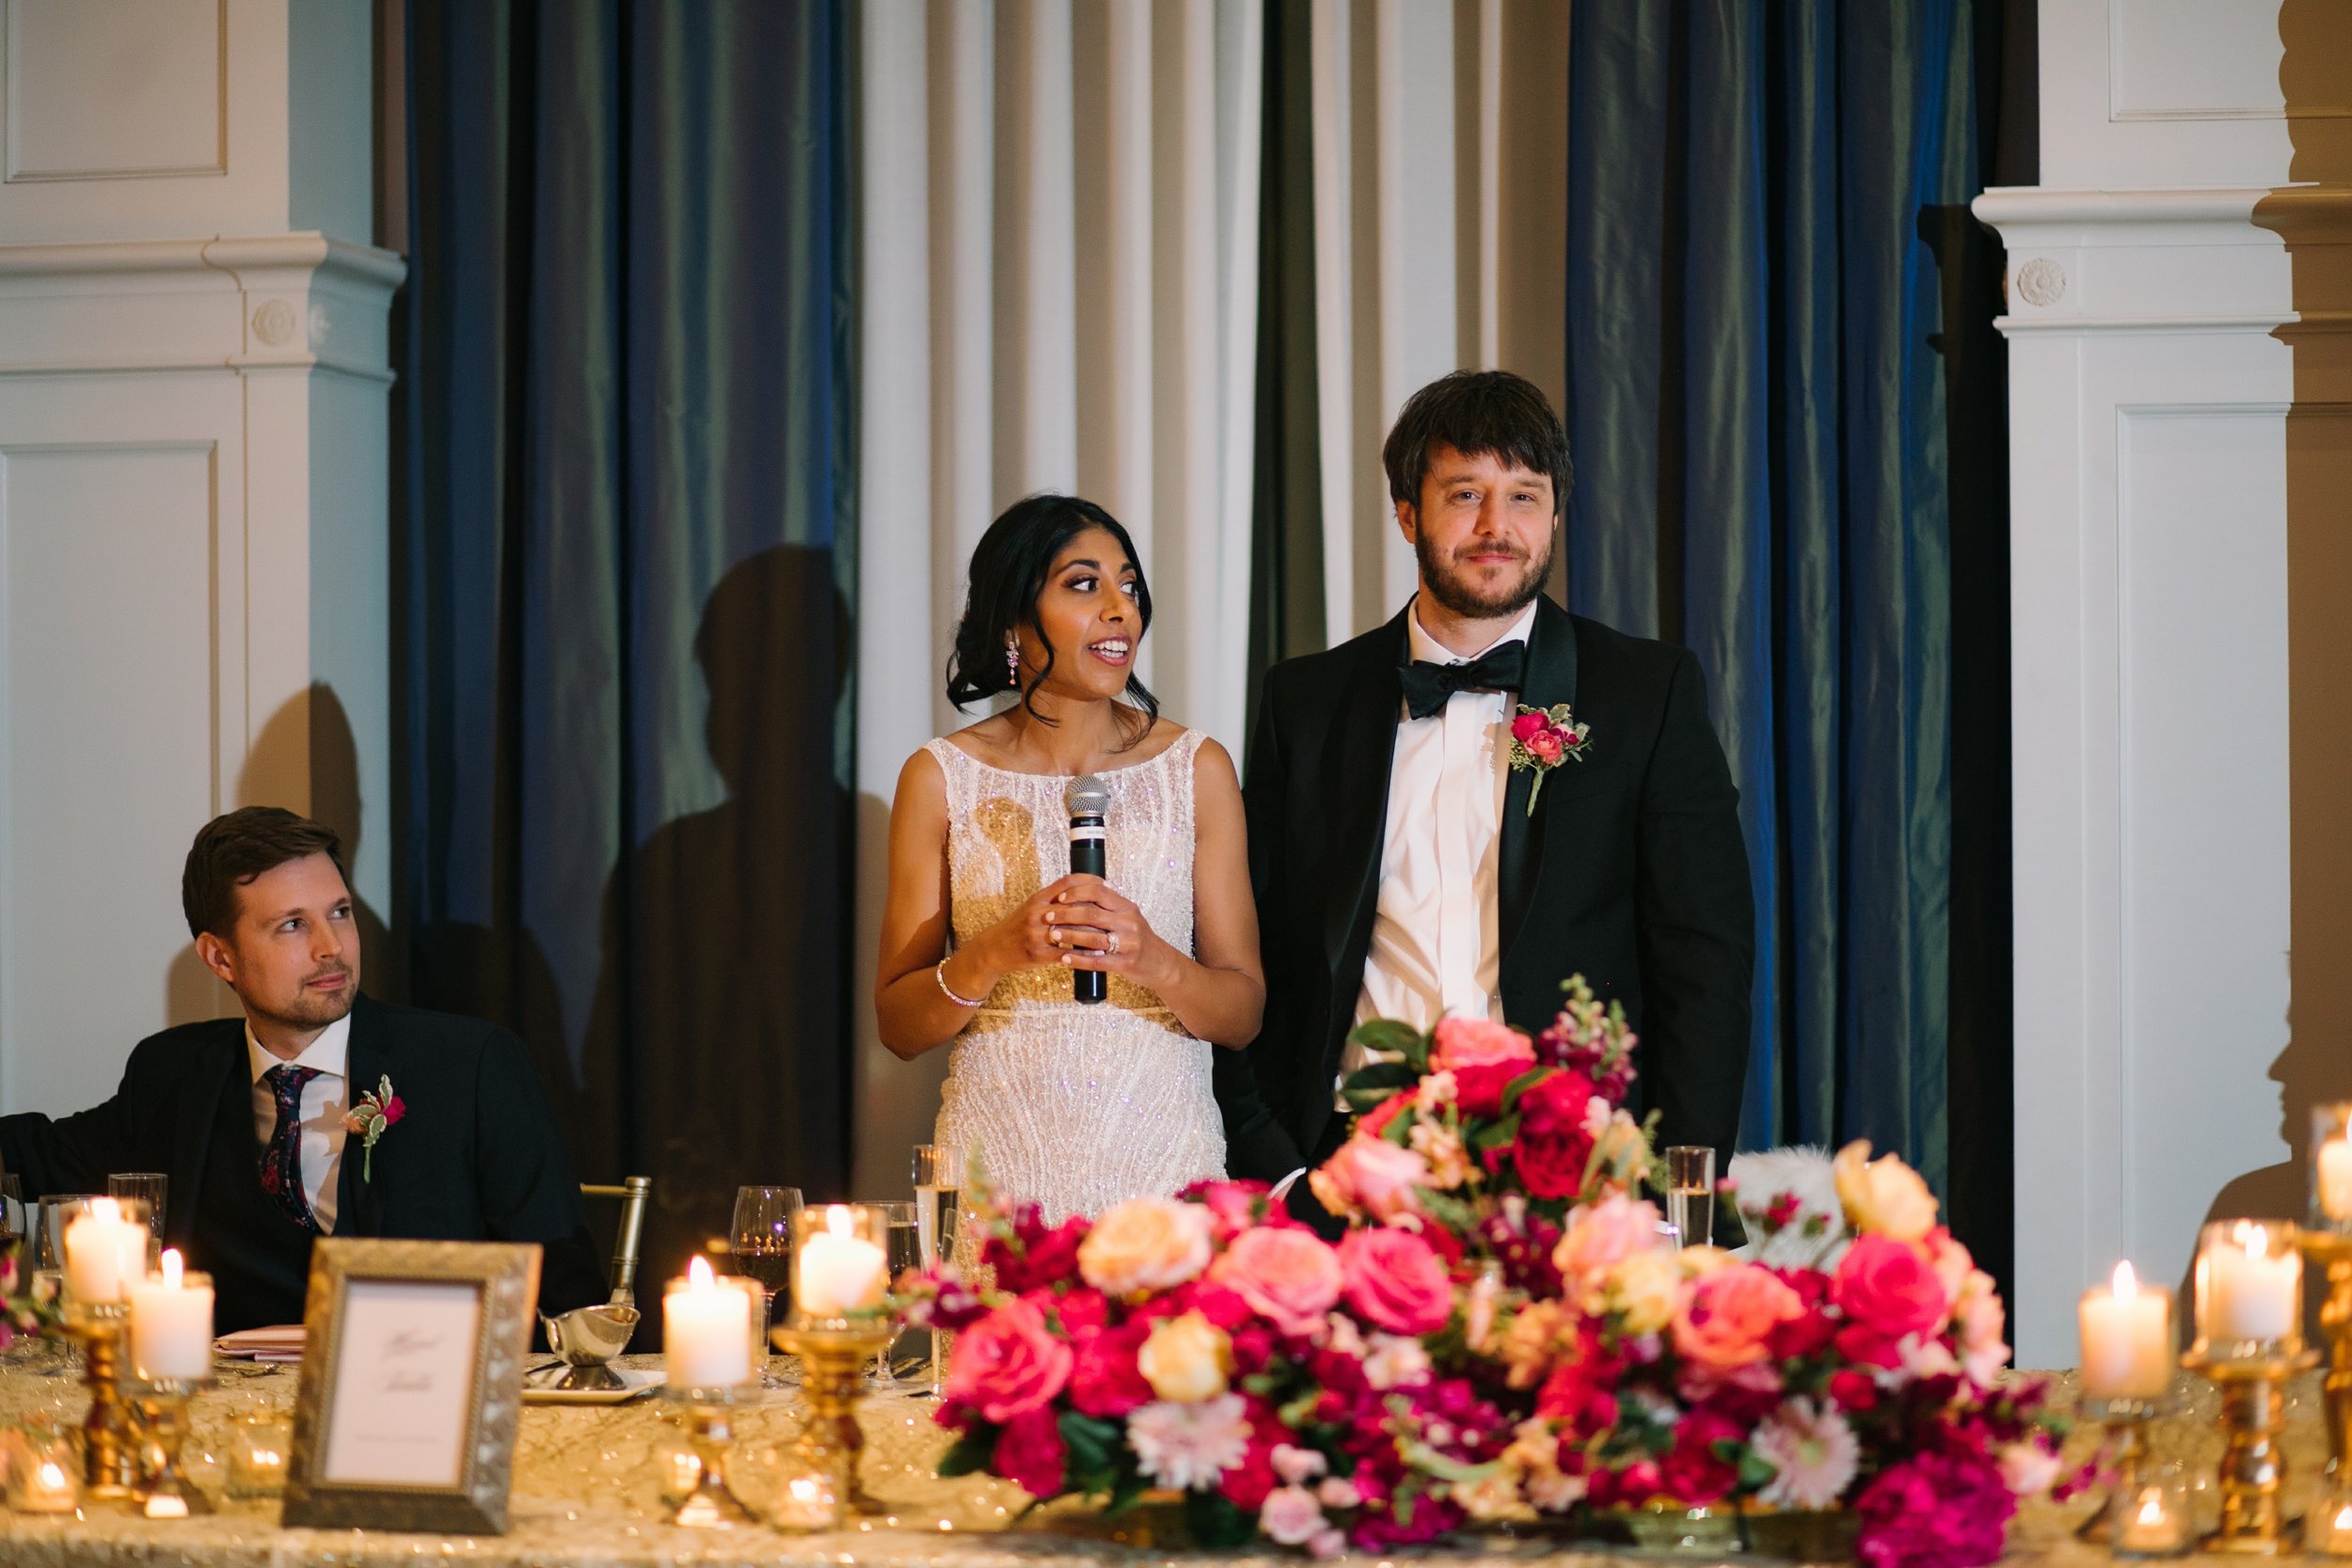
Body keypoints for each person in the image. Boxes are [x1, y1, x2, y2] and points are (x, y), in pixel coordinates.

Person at [1220, 370, 1754, 1212]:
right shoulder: (1305, 701)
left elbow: (1706, 962)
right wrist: (1280, 1171)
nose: (1496, 528)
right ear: (1407, 512)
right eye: (1465, 493)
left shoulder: (1645, 692)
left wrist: (1678, 1200)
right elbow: (1246, 948)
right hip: (1348, 1171)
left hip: (1577, 1175)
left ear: (1555, 513)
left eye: (1525, 496)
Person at [0, 808, 607, 1332]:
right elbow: (40, 1154)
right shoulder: (172, 1074)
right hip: (223, 1427)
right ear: (220, 957)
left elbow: (564, 1293)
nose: (331, 947)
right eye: (293, 924)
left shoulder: (472, 1068)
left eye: (339, 913)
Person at [875, 494, 1264, 1224]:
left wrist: (1152, 958)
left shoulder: (1196, 768)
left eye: (1129, 585)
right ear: (1014, 621)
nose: (1120, 608)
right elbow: (899, 1027)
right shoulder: (939, 777)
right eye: (1084, 584)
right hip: (998, 1177)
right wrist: (993, 951)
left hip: (1160, 1169)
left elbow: (1243, 1012)